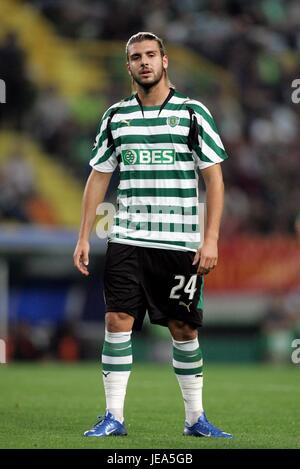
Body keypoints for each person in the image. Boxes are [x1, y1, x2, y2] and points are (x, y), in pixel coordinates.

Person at [73, 32, 232, 439]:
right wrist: (83, 236)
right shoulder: (115, 116)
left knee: (184, 329)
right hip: (126, 237)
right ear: (127, 66)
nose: (143, 62)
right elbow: (98, 177)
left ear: (165, 61)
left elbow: (214, 180)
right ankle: (113, 416)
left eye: (150, 55)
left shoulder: (193, 112)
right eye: (135, 57)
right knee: (117, 319)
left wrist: (210, 238)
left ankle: (195, 419)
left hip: (179, 243)